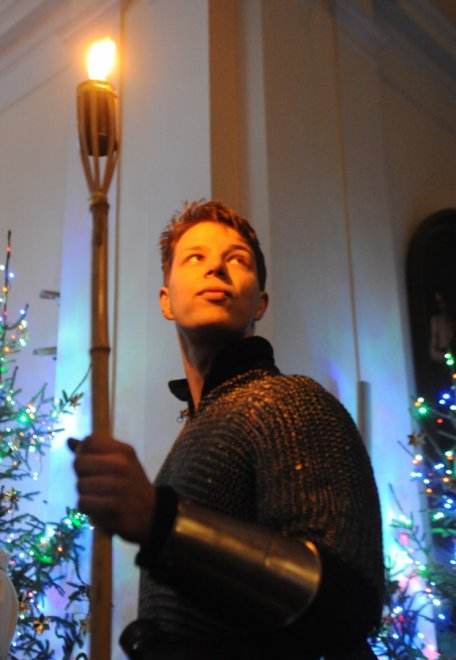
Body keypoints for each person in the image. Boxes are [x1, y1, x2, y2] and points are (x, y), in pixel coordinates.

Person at [69, 200, 384, 659]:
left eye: (237, 259)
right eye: (195, 257)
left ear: (261, 302)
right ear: (165, 300)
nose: (216, 266)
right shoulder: (191, 437)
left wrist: (161, 521)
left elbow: (344, 604)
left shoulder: (291, 402)